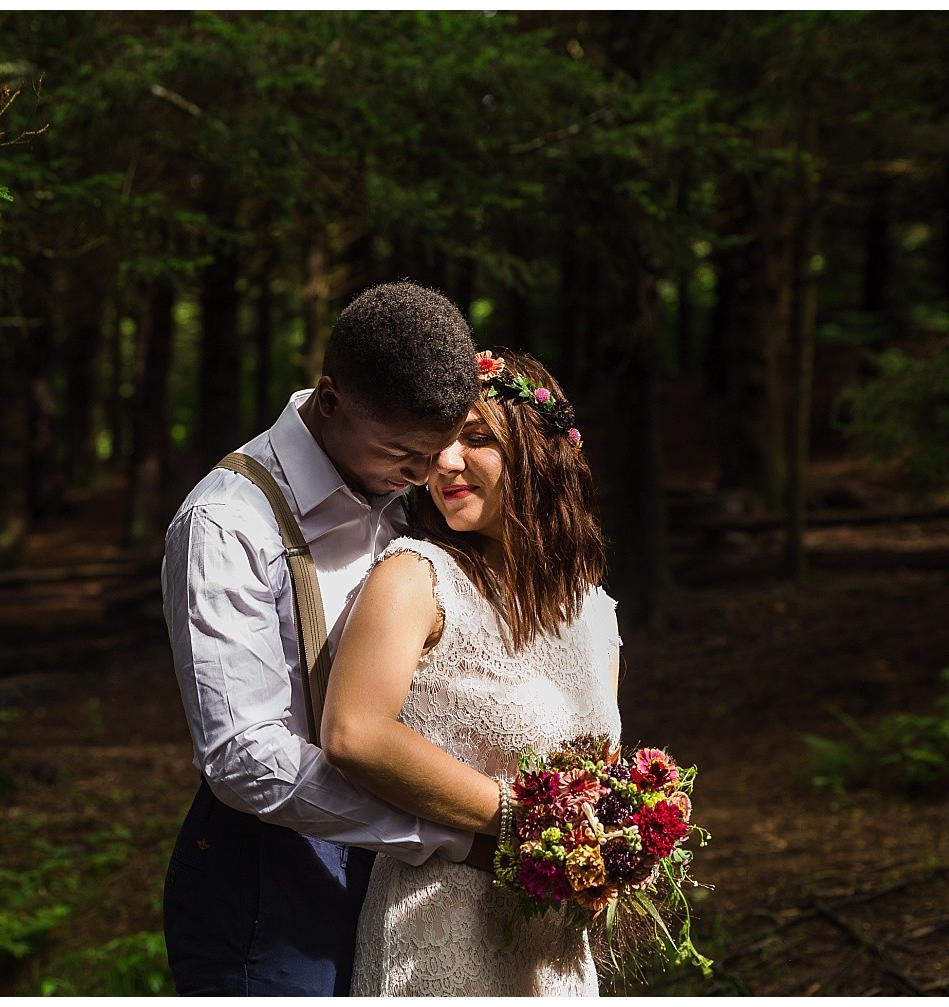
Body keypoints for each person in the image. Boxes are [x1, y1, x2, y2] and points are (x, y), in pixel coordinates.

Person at [160, 281, 493, 996]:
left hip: (396, 879)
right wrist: (451, 833)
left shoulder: (406, 495)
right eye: (404, 455)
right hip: (267, 882)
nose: (427, 474)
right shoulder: (228, 523)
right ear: (331, 398)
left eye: (435, 451)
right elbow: (244, 757)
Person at [320, 349, 622, 996]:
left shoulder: (594, 610)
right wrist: (526, 817)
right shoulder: (415, 576)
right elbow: (354, 731)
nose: (446, 462)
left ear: (541, 450)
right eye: (438, 444)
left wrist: (616, 844)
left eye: (477, 437)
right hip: (439, 933)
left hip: (556, 946)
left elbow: (594, 777)